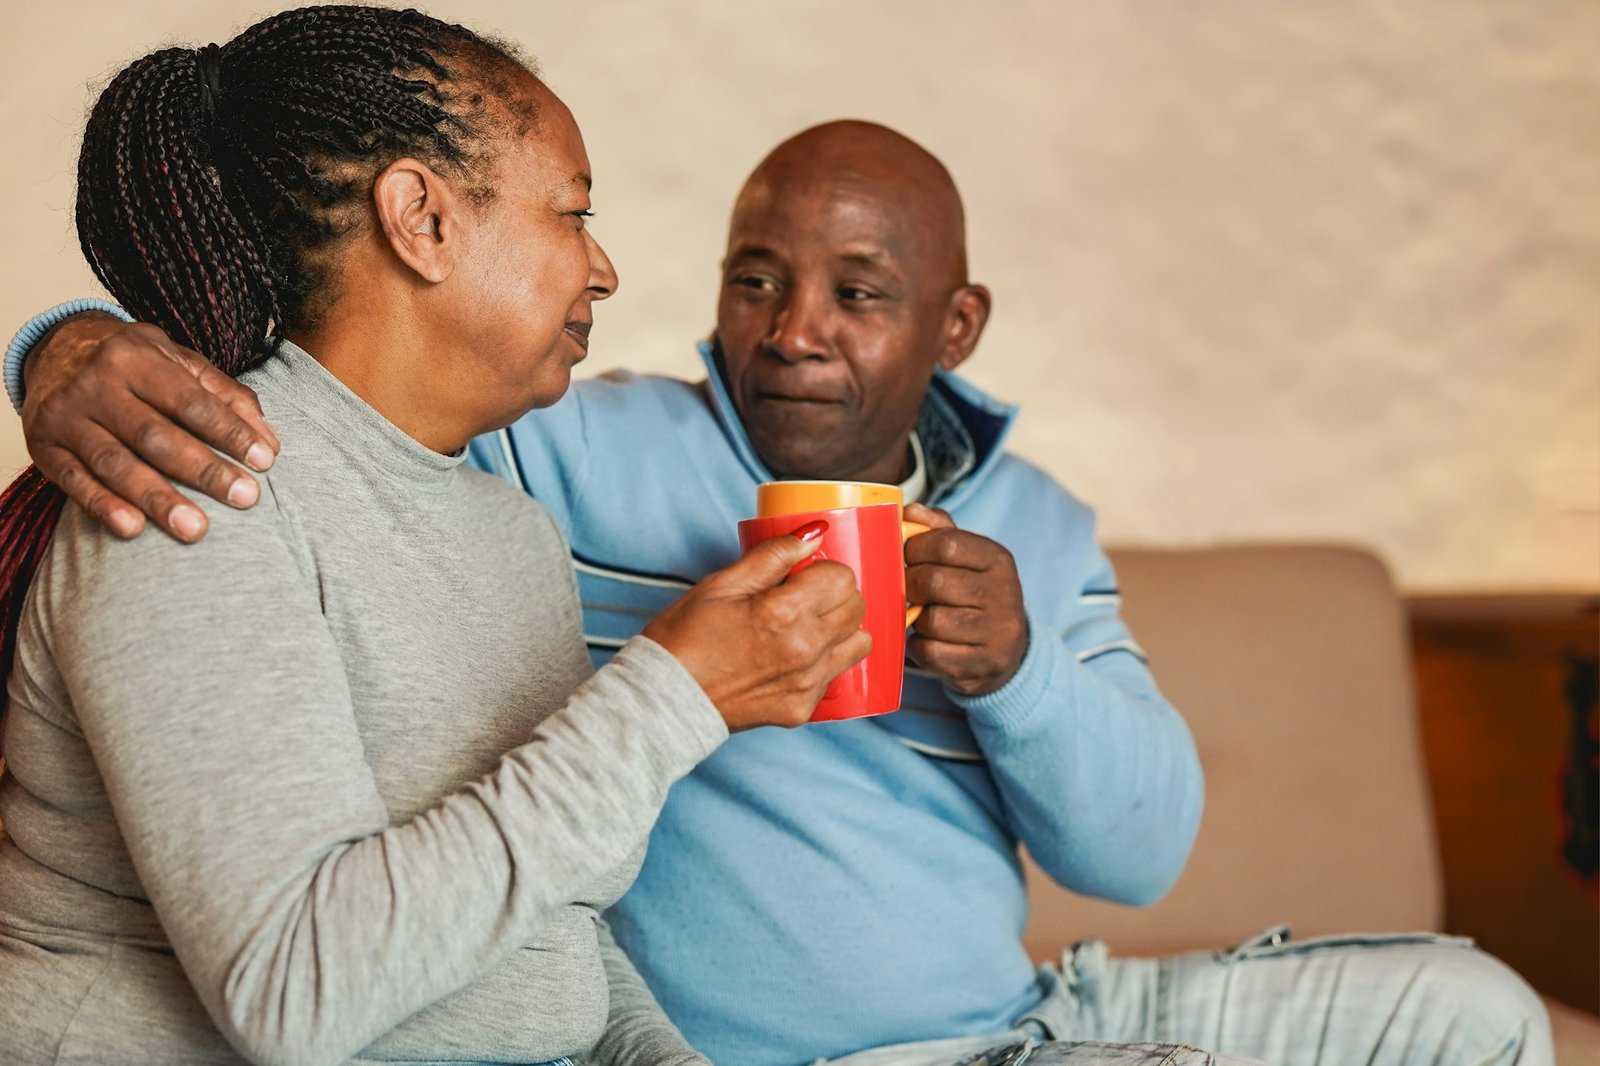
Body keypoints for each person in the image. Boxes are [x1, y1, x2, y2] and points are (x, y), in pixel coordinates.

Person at [6, 117, 1554, 1066]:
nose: (793, 331)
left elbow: (1139, 854)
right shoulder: (578, 454)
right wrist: (62, 342)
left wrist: (1016, 669)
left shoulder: (1037, 528)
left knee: (1474, 1009)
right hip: (793, 1051)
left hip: (1032, 1009)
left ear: (955, 323)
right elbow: (351, 403)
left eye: (860, 294)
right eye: (757, 277)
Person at [0, 8, 873, 1065]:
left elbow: (548, 936)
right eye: (571, 212)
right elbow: (293, 990)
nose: (601, 270)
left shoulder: (513, 529)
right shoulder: (196, 486)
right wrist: (675, 695)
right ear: (421, 217)